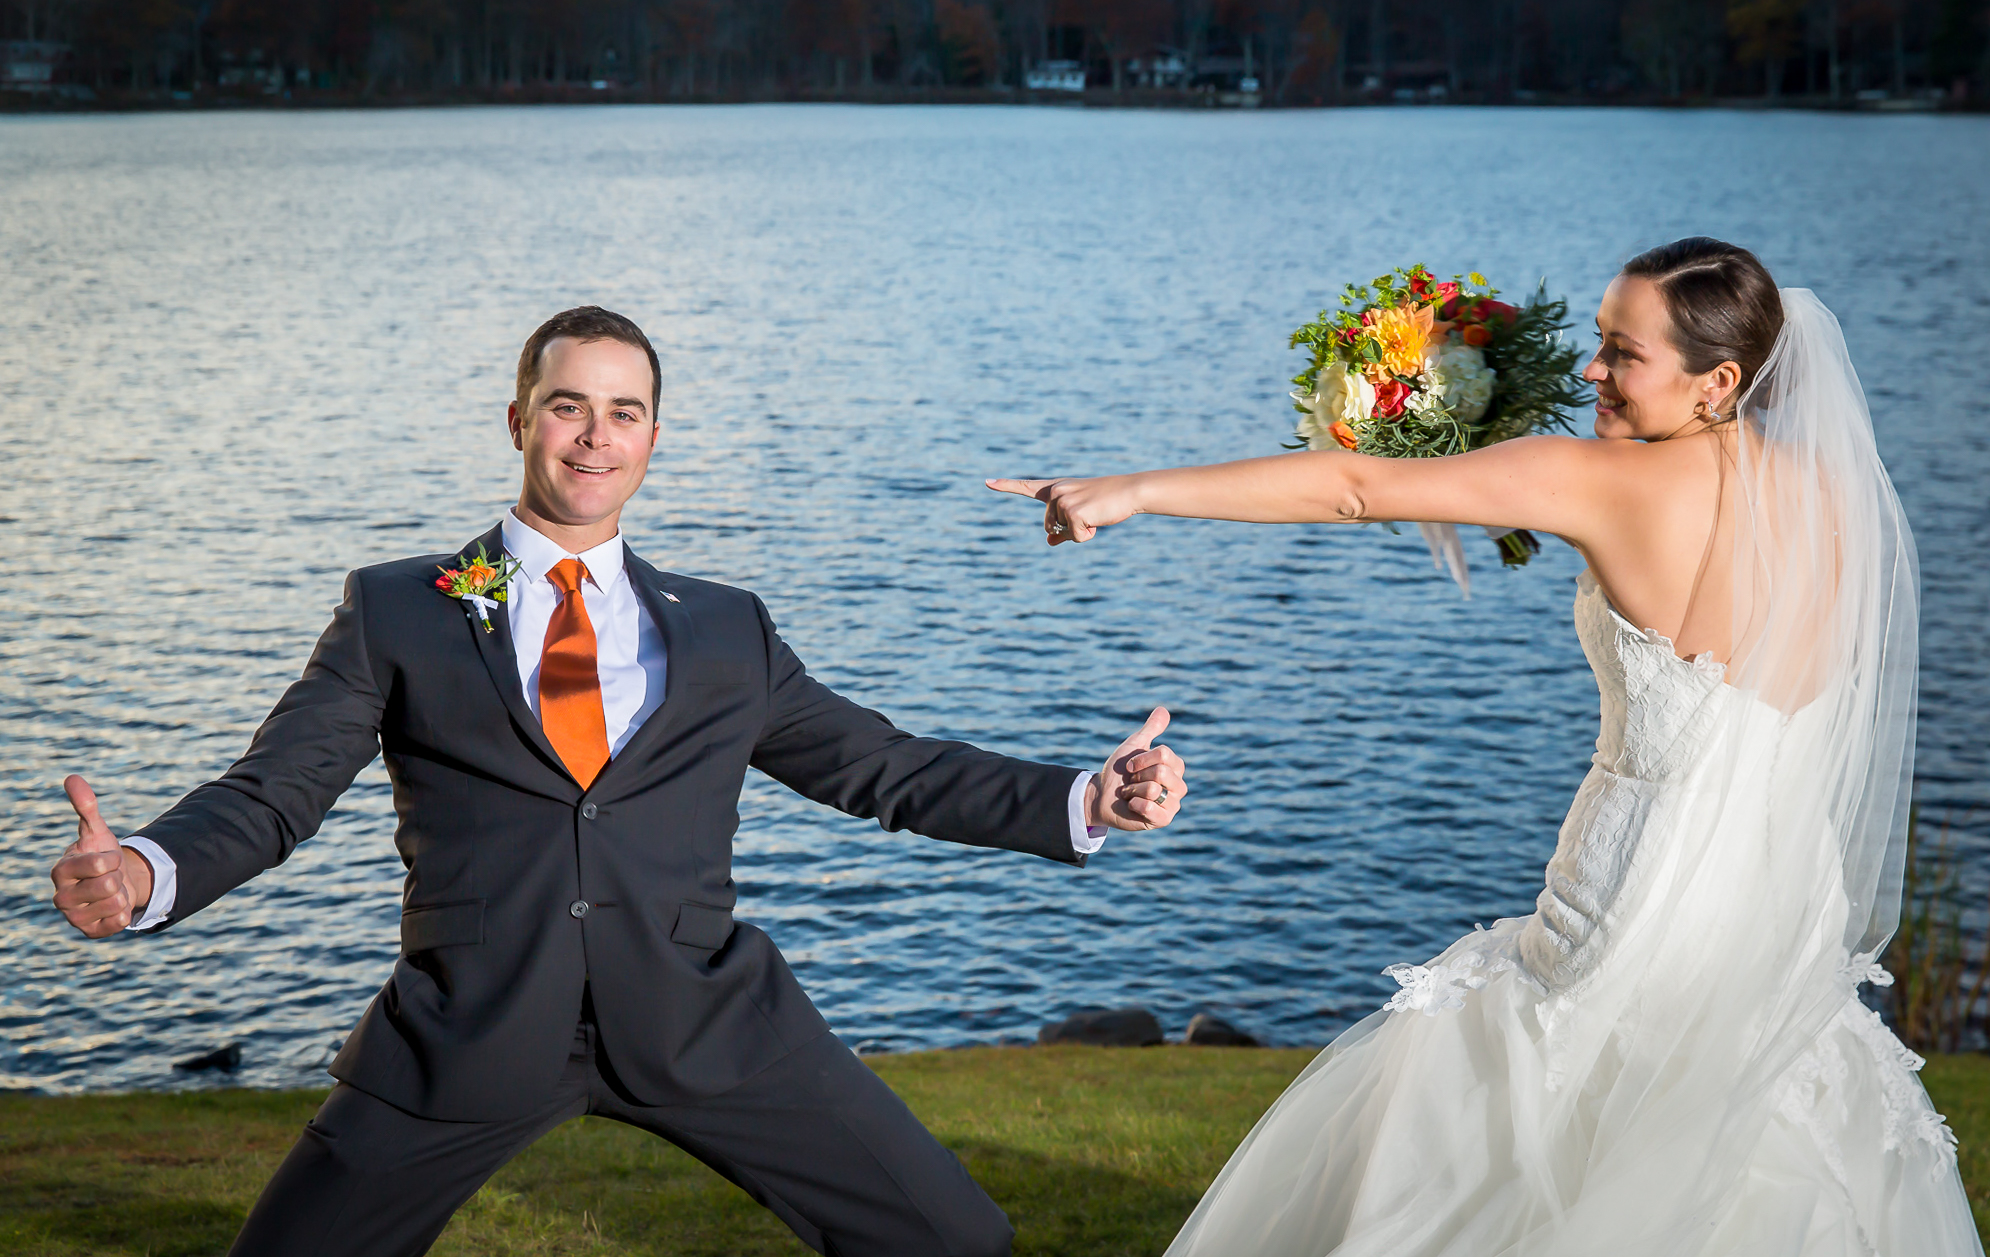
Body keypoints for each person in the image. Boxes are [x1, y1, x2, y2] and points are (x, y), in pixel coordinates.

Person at [49, 305, 1189, 1257]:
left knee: (956, 1239)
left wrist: (1086, 796)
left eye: (624, 411)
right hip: (471, 1025)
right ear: (518, 420)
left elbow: (882, 767)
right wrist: (146, 870)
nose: (595, 436)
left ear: (652, 435)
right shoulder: (398, 608)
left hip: (705, 1017)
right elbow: (274, 792)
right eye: (568, 406)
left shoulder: (727, 628)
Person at [991, 238, 1981, 1255]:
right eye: (1596, 339)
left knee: (1529, 1124)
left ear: (1717, 380)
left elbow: (1354, 487)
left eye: (1622, 353)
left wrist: (1130, 489)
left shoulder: (1605, 481)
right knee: (1767, 1133)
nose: (1592, 369)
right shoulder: (1834, 498)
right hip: (1779, 891)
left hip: (1639, 883)